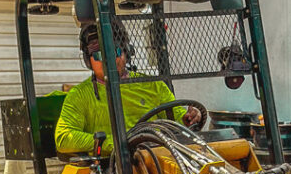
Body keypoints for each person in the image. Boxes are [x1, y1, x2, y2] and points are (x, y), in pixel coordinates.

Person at [55, 21, 203, 155]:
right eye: (99, 55)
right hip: (111, 168)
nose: (109, 60)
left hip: (156, 158)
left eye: (115, 52)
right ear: (89, 61)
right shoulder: (79, 95)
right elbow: (63, 138)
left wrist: (188, 119)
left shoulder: (153, 84)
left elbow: (175, 120)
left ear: (126, 52)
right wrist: (114, 143)